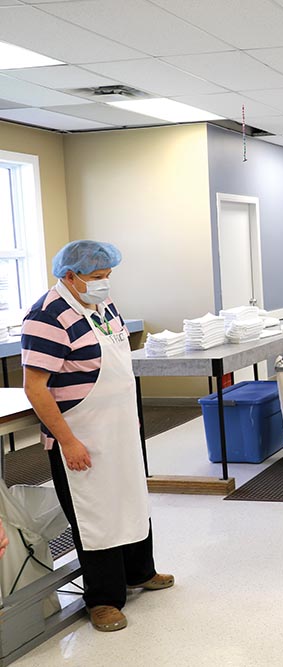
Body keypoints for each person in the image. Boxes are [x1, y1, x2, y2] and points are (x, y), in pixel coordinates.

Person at [21, 240, 173, 633]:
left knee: (131, 501)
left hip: (119, 430)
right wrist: (67, 440)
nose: (105, 284)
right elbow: (35, 387)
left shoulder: (101, 306)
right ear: (69, 276)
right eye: (96, 278)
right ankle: (103, 600)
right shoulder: (46, 316)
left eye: (107, 277)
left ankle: (141, 571)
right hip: (82, 435)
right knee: (97, 516)